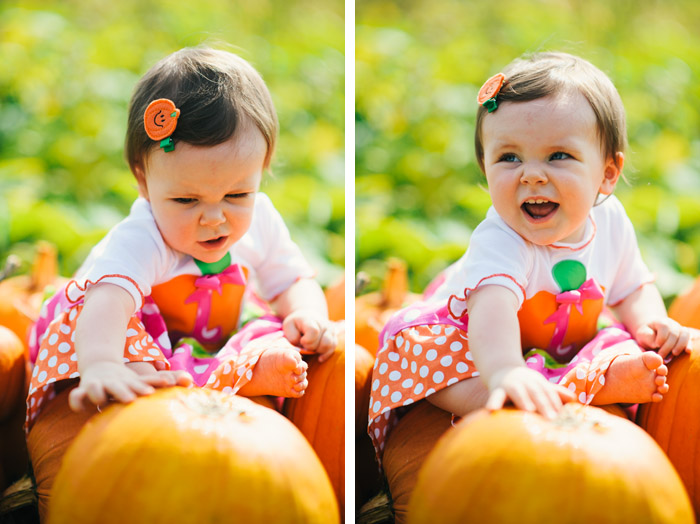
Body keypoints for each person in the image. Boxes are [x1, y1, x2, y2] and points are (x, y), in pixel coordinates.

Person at [26, 46, 336, 518]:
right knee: (100, 327)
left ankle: (243, 372)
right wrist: (103, 363)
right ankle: (233, 382)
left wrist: (308, 312)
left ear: (263, 168)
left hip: (213, 338)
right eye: (187, 200)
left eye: (237, 194)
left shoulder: (264, 222)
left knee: (272, 327)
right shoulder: (141, 237)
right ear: (144, 183)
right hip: (135, 346)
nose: (215, 219)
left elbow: (290, 276)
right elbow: (107, 302)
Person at [368, 51, 693, 462]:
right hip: (482, 344)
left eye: (558, 156)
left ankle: (577, 380)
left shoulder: (610, 220)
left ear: (608, 173)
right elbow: (492, 314)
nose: (532, 174)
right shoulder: (501, 240)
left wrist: (653, 324)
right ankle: (526, 395)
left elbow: (631, 288)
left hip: (561, 346)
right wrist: (505, 369)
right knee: (417, 352)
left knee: (627, 344)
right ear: (485, 169)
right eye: (509, 157)